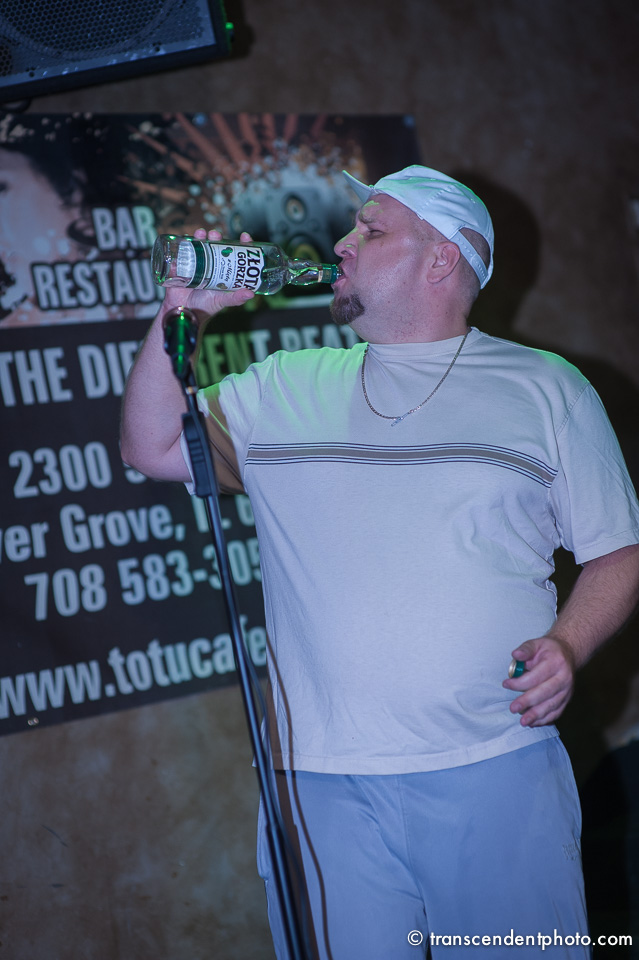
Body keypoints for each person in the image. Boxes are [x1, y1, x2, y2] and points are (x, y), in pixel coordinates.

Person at [120, 165, 639, 959]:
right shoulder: (284, 387)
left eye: (370, 229)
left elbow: (617, 552)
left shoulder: (546, 390)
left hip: (492, 769)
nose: (341, 243)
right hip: (318, 786)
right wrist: (178, 315)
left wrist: (568, 646)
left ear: (441, 258)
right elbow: (150, 447)